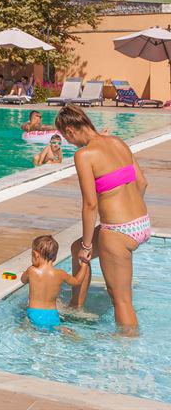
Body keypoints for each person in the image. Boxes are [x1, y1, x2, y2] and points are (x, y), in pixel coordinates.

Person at [58, 105, 150, 334]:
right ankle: (76, 307)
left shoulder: (84, 155)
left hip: (118, 231)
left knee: (120, 299)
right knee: (76, 249)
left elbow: (90, 205)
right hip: (141, 222)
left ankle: (126, 347)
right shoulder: (118, 142)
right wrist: (128, 214)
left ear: (70, 131)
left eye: (66, 139)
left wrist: (88, 245)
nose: (70, 143)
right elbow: (142, 183)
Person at [20, 234, 87, 332]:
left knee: (30, 329)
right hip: (52, 314)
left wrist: (27, 272)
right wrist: (84, 264)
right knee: (56, 328)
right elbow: (77, 281)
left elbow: (23, 280)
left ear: (35, 255)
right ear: (54, 258)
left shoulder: (32, 271)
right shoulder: (60, 274)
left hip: (35, 313)